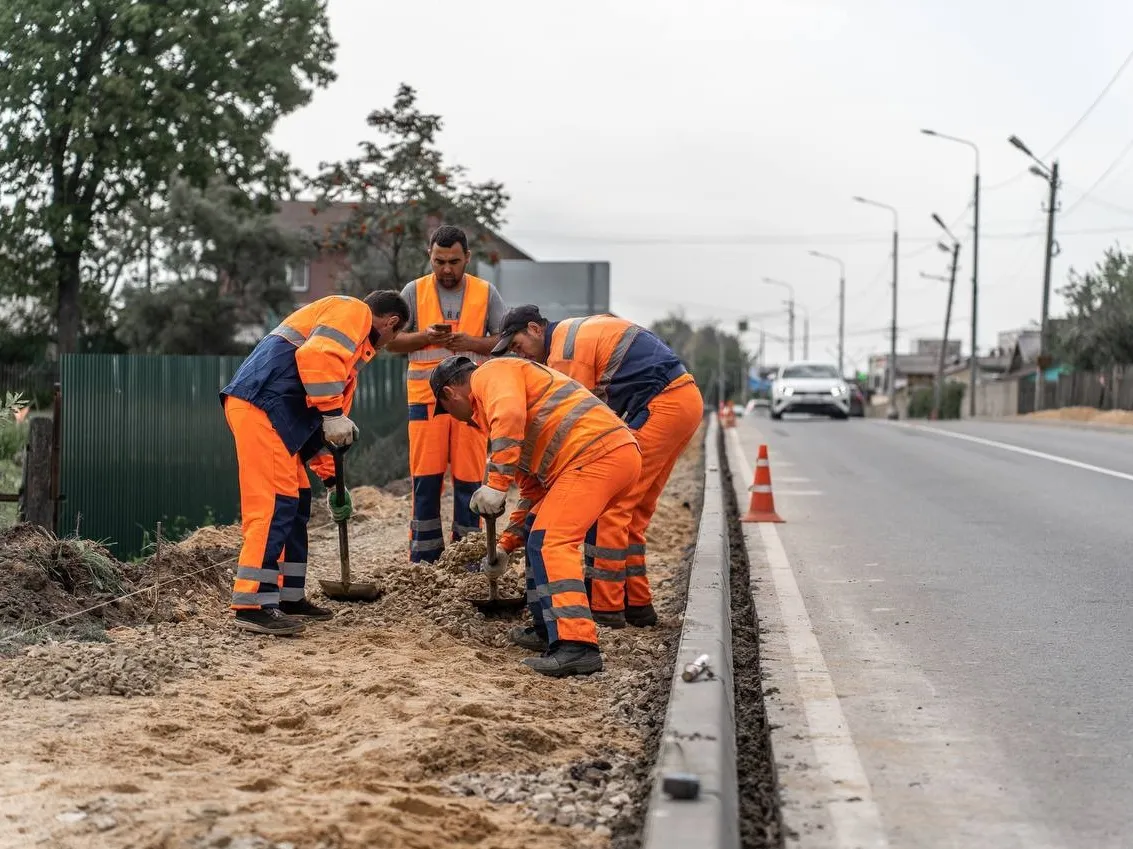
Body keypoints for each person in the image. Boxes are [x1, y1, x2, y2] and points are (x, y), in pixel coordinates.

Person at [430, 354, 642, 677]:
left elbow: (510, 413)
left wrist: (496, 483)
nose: (458, 420)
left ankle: (578, 646)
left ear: (449, 394)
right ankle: (548, 628)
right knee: (535, 534)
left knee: (553, 542)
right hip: (600, 456)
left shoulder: (491, 373)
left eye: (448, 411)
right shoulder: (506, 416)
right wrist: (504, 546)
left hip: (597, 454)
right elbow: (531, 494)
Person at [492, 306, 703, 629]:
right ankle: (637, 605)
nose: (520, 354)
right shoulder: (574, 334)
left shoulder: (564, 354)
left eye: (518, 345)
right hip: (680, 402)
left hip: (660, 405)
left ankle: (605, 607)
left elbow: (576, 429)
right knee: (632, 513)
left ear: (535, 329)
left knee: (610, 507)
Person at [220, 291, 410, 636]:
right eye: (393, 336)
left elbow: (320, 431)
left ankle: (288, 596)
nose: (387, 344)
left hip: (276, 412)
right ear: (391, 323)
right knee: (276, 502)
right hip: (262, 406)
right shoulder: (354, 312)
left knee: (298, 501)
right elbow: (315, 357)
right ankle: (252, 603)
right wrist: (334, 413)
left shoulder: (346, 360)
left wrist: (334, 481)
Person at [384, 225, 508, 563]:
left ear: (467, 257)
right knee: (425, 481)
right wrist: (425, 336)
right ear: (430, 256)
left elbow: (503, 340)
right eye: (439, 261)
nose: (447, 269)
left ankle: (466, 559)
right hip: (425, 404)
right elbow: (390, 341)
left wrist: (470, 342)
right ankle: (423, 560)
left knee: (469, 481)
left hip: (471, 405)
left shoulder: (486, 292)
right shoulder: (414, 291)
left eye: (454, 261)